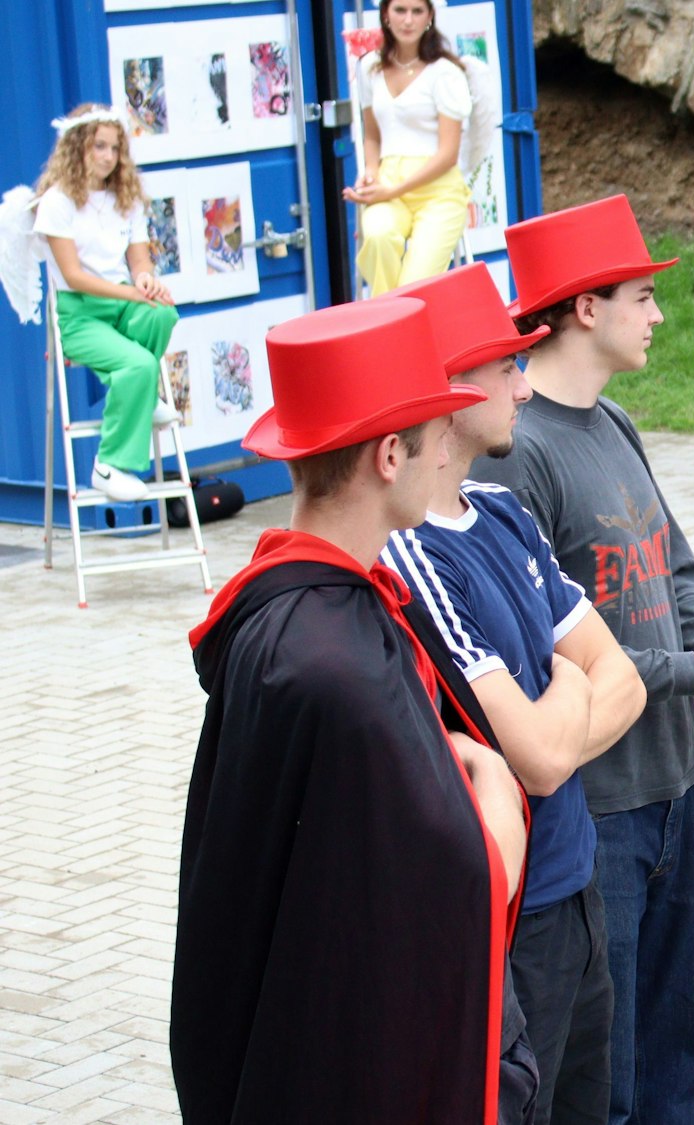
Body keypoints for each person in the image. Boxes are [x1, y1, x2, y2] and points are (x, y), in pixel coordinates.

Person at [471, 193, 694, 1125]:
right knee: (607, 1081)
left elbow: (676, 573)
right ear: (586, 307)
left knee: (685, 1051)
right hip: (600, 807)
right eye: (641, 295)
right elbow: (538, 646)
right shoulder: (516, 450)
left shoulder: (615, 423)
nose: (658, 313)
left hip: (679, 788)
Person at [174, 297, 537, 1123]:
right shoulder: (343, 666)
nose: (450, 445)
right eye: (433, 429)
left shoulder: (280, 614)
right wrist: (496, 789)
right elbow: (462, 889)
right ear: (386, 455)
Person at [383, 264, 648, 1125]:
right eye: (506, 368)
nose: (525, 386)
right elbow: (535, 761)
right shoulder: (413, 554)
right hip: (512, 912)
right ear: (450, 390)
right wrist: (569, 685)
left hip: (577, 885)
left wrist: (558, 708)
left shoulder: (504, 513)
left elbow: (628, 682)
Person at [31, 104, 177, 502]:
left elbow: (138, 259)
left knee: (162, 313)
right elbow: (74, 276)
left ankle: (142, 397)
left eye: (115, 148)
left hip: (120, 306)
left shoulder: (124, 198)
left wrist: (145, 280)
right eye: (99, 146)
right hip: (80, 316)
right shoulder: (57, 202)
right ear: (78, 147)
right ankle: (108, 465)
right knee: (139, 364)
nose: (109, 156)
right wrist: (131, 292)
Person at [346, 0, 472, 294]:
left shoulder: (445, 72)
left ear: (430, 16)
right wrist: (371, 173)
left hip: (438, 191)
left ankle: (397, 325)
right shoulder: (369, 67)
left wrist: (391, 190)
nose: (408, 20)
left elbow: (448, 155)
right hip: (389, 182)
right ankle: (387, 324)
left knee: (414, 287)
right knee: (377, 237)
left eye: (417, 11)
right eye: (400, 10)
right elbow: (372, 135)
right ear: (385, 15)